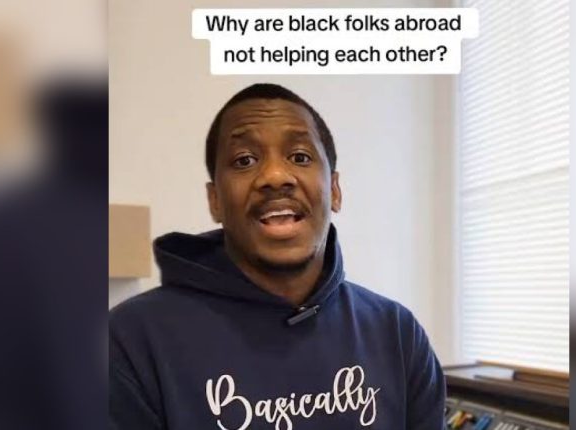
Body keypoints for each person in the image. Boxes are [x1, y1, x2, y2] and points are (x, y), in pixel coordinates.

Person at [109, 83, 445, 430]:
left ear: (334, 190)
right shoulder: (130, 342)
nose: (274, 176)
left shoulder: (398, 335)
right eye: (244, 160)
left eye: (299, 157)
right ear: (215, 200)